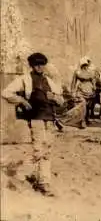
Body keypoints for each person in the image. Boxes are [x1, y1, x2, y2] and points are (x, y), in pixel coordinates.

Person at [1, 53, 64, 196]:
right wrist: (22, 101)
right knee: (38, 150)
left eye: (42, 64)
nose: (40, 67)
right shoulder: (25, 79)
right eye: (37, 64)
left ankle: (44, 183)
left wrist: (54, 97)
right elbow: (6, 92)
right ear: (31, 65)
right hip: (36, 118)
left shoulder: (48, 80)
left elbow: (61, 101)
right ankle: (20, 177)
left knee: (47, 151)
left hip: (50, 118)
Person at [71, 57, 97, 129]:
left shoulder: (91, 72)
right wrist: (72, 91)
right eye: (84, 64)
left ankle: (86, 118)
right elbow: (73, 82)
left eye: (86, 64)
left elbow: (93, 80)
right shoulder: (77, 72)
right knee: (83, 105)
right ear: (81, 64)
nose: (85, 66)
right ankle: (82, 121)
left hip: (90, 90)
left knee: (88, 106)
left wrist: (94, 86)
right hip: (81, 90)